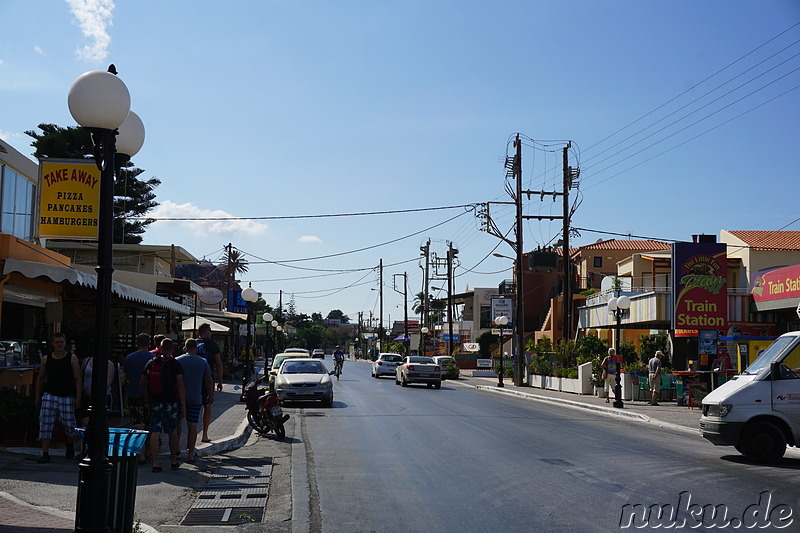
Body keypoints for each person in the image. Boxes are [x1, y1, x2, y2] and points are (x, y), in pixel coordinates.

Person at [35, 332, 82, 463]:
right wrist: (37, 396)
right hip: (49, 394)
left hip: (67, 395)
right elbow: (40, 378)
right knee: (45, 422)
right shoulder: (46, 359)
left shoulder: (72, 358)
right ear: (52, 344)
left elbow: (78, 378)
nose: (59, 344)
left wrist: (78, 396)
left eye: (61, 342)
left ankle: (69, 442)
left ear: (65, 343)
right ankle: (45, 452)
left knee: (69, 424)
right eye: (57, 342)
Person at [141, 337, 185, 472]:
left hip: (155, 402)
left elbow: (141, 383)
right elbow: (180, 386)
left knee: (155, 432)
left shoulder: (151, 362)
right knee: (172, 431)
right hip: (170, 402)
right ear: (172, 349)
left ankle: (155, 463)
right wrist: (183, 406)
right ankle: (173, 460)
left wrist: (147, 396)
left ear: (160, 348)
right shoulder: (176, 364)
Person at [176, 338, 213, 464]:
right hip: (196, 398)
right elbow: (209, 380)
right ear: (196, 348)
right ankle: (190, 453)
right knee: (192, 425)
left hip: (179, 399)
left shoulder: (177, 361)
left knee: (178, 423)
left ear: (185, 348)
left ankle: (176, 448)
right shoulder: (202, 362)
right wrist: (210, 395)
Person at [124, 333, 154, 465]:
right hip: (150, 395)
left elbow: (126, 377)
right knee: (149, 424)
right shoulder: (153, 358)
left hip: (133, 393)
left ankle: (139, 452)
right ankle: (148, 450)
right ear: (149, 343)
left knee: (136, 424)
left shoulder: (129, 358)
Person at [197, 323, 223, 443]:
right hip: (208, 379)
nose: (211, 333)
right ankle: (205, 435)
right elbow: (218, 363)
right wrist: (220, 381)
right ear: (205, 332)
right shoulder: (212, 345)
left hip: (192, 380)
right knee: (207, 405)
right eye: (210, 330)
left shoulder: (192, 343)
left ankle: (189, 435)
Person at [77, 354, 116, 427]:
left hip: (101, 398)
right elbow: (81, 377)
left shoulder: (109, 364)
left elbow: (108, 382)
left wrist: (95, 393)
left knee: (98, 422)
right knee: (84, 421)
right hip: (86, 397)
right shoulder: (86, 361)